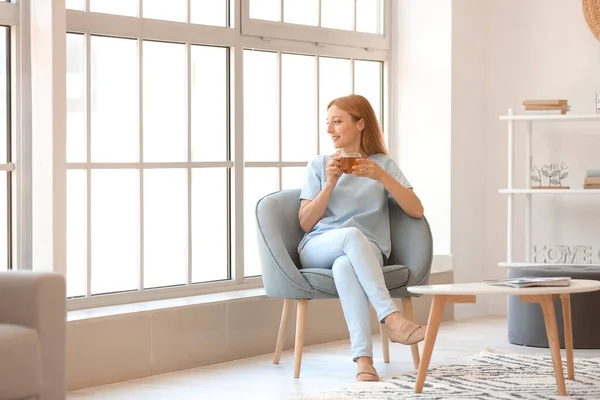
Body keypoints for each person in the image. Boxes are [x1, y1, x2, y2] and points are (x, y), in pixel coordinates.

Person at [297, 94, 426, 382]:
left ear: (360, 124)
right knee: (351, 237)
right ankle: (391, 318)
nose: (330, 129)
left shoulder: (382, 165)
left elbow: (416, 211)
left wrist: (381, 177)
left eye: (338, 122)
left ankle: (364, 361)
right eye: (328, 123)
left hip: (367, 252)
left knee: (345, 266)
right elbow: (305, 223)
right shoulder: (319, 165)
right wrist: (330, 183)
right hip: (320, 245)